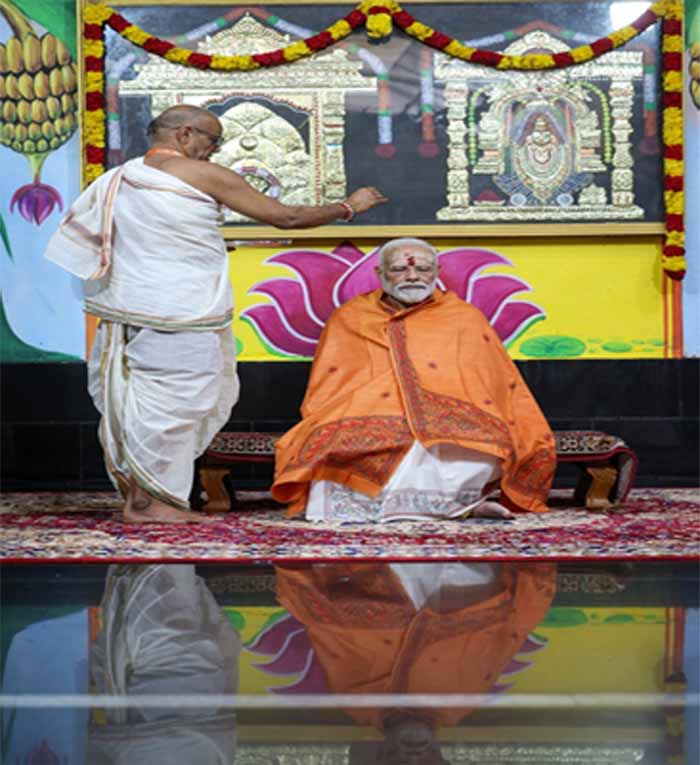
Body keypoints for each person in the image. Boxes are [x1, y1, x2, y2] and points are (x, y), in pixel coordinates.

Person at [44, 104, 387, 524]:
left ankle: (141, 499)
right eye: (213, 140)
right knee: (178, 405)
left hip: (132, 310)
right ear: (185, 134)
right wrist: (348, 207)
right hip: (180, 313)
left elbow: (154, 242)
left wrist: (203, 249)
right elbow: (286, 216)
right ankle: (156, 505)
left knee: (142, 404)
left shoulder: (120, 177)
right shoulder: (202, 174)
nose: (215, 150)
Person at [271, 237, 556, 522]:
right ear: (380, 273)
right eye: (399, 269)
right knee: (341, 441)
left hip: (455, 410)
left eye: (423, 269)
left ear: (437, 271)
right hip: (366, 409)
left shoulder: (463, 317)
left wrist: (432, 410)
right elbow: (332, 383)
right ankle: (460, 509)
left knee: (473, 441)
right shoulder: (352, 316)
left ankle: (459, 504)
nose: (412, 276)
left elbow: (494, 381)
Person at [274, 562, 557, 764]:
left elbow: (320, 621)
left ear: (382, 753)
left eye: (399, 763)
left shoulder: (356, 700)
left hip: (383, 562)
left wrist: (297, 560)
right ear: (440, 756)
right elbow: (516, 626)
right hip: (471, 559)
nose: (414, 756)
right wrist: (535, 563)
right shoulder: (462, 701)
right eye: (426, 763)